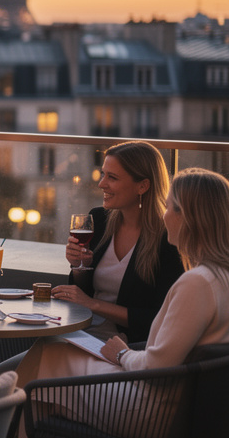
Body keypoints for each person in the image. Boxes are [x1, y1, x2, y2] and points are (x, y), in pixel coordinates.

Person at [0, 168, 229, 438]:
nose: (164, 215)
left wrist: (122, 353)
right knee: (50, 371)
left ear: (192, 219)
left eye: (170, 208)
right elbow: (173, 353)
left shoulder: (198, 283)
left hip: (155, 415)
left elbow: (156, 369)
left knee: (44, 372)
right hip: (195, 416)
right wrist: (128, 349)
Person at [57, 140, 185, 343]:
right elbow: (85, 292)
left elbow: (160, 318)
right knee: (11, 366)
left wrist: (93, 304)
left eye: (112, 177)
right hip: (84, 329)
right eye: (103, 175)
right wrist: (80, 267)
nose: (101, 184)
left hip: (126, 345)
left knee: (40, 364)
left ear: (142, 186)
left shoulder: (168, 240)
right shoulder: (99, 219)